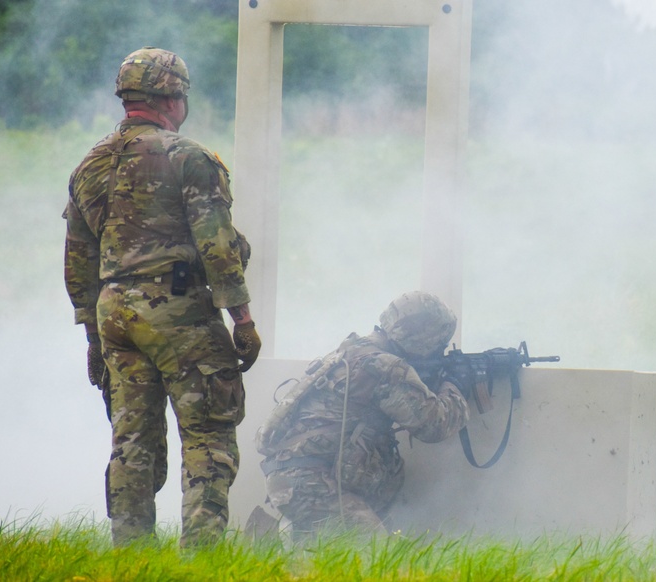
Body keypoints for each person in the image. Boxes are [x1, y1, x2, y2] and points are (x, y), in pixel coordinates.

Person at [63, 47, 261, 547]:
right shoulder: (188, 158)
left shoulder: (90, 164)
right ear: (173, 97)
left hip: (115, 318)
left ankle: (132, 556)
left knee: (132, 441)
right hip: (180, 314)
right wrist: (243, 319)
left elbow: (78, 259)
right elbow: (217, 245)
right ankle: (202, 558)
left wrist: (92, 334)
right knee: (209, 432)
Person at [253, 291, 469, 540]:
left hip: (297, 481)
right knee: (377, 561)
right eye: (438, 345)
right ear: (422, 340)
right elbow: (434, 425)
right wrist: (454, 385)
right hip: (315, 487)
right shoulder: (385, 367)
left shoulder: (353, 350)